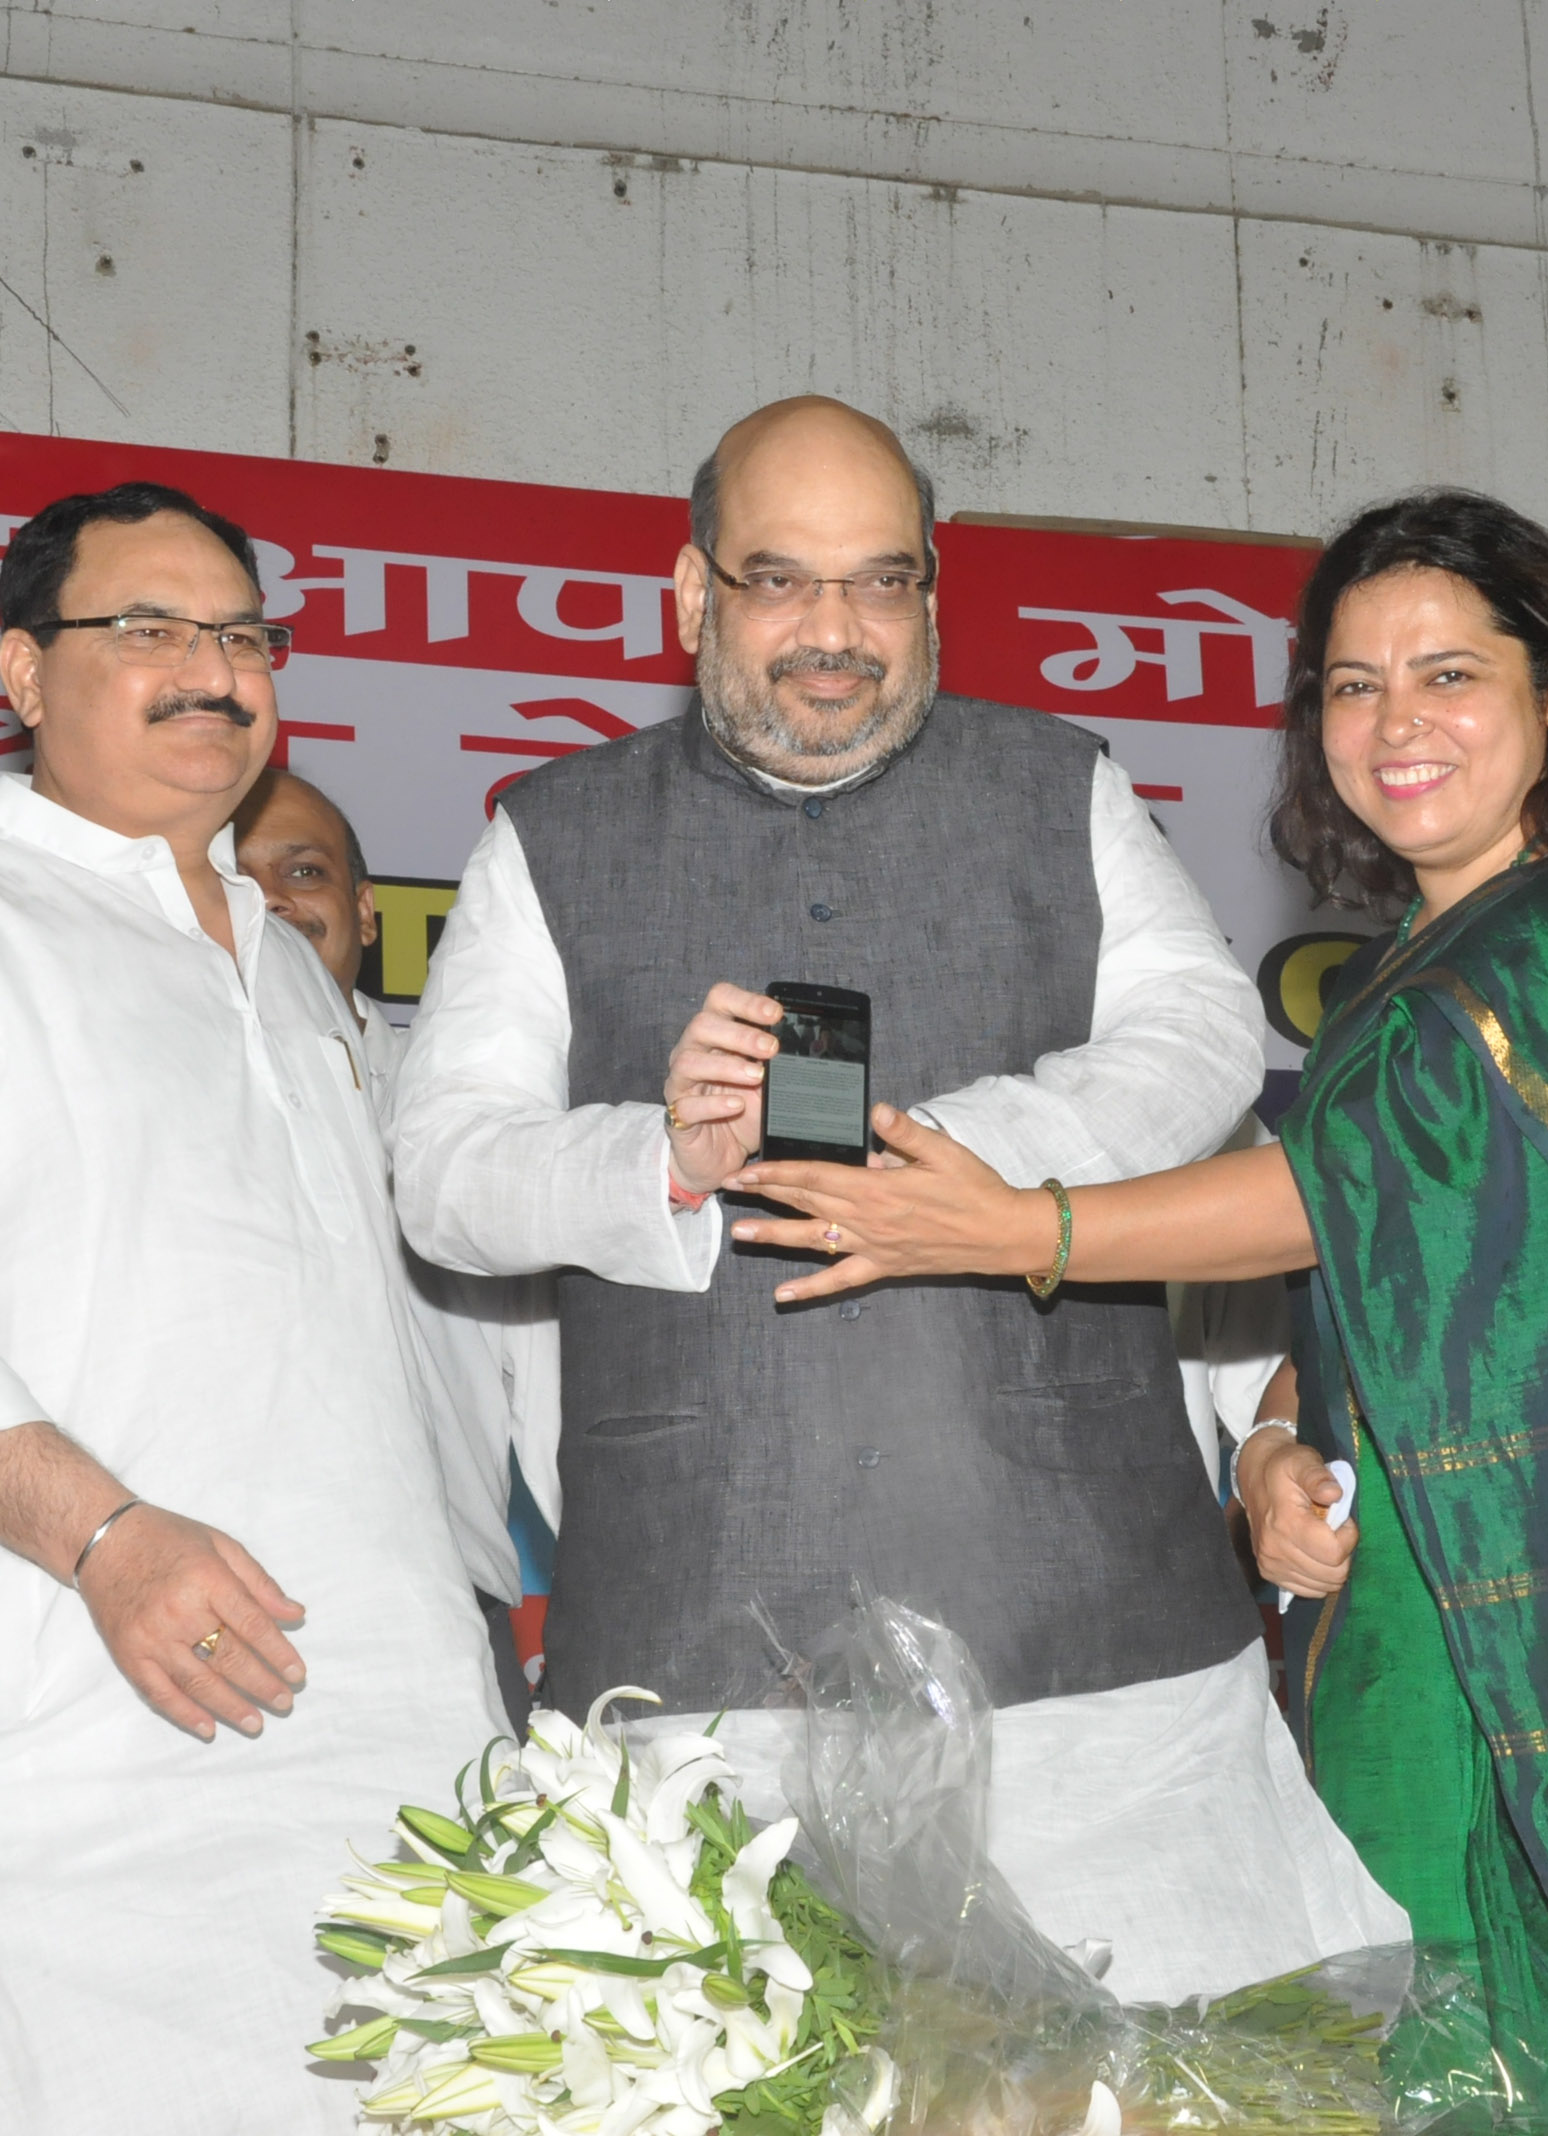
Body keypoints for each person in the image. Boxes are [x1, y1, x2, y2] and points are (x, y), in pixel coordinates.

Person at [731, 488, 1548, 2135]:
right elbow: (1376, 1296)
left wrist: (1019, 1225)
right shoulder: (1386, 980)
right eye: (1354, 686)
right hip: (1404, 1637)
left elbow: (1350, 1186)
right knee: (1418, 2072)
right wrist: (1277, 1446)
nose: (1396, 723)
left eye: (1449, 675)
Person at [389, 394, 1403, 2003]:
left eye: (881, 583)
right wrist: (664, 1153)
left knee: (1163, 2079)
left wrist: (965, 1150)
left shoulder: (1059, 783)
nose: (833, 634)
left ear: (935, 593)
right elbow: (444, 1175)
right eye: (780, 581)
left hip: (1091, 1636)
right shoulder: (553, 836)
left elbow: (1203, 1033)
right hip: (706, 1648)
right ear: (688, 596)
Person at [0, 483, 506, 2134]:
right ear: (21, 675)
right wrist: (110, 1538)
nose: (211, 668)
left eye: (242, 636)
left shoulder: (287, 970)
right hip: (57, 1783)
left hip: (374, 1784)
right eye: (148, 630)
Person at [235, 761, 547, 1732]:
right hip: (189, 1613)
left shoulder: (461, 1112)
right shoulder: (111, 1103)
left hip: (441, 1608)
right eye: (233, 878)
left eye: (302, 874)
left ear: (367, 913)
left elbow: (553, 1381)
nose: (271, 903)